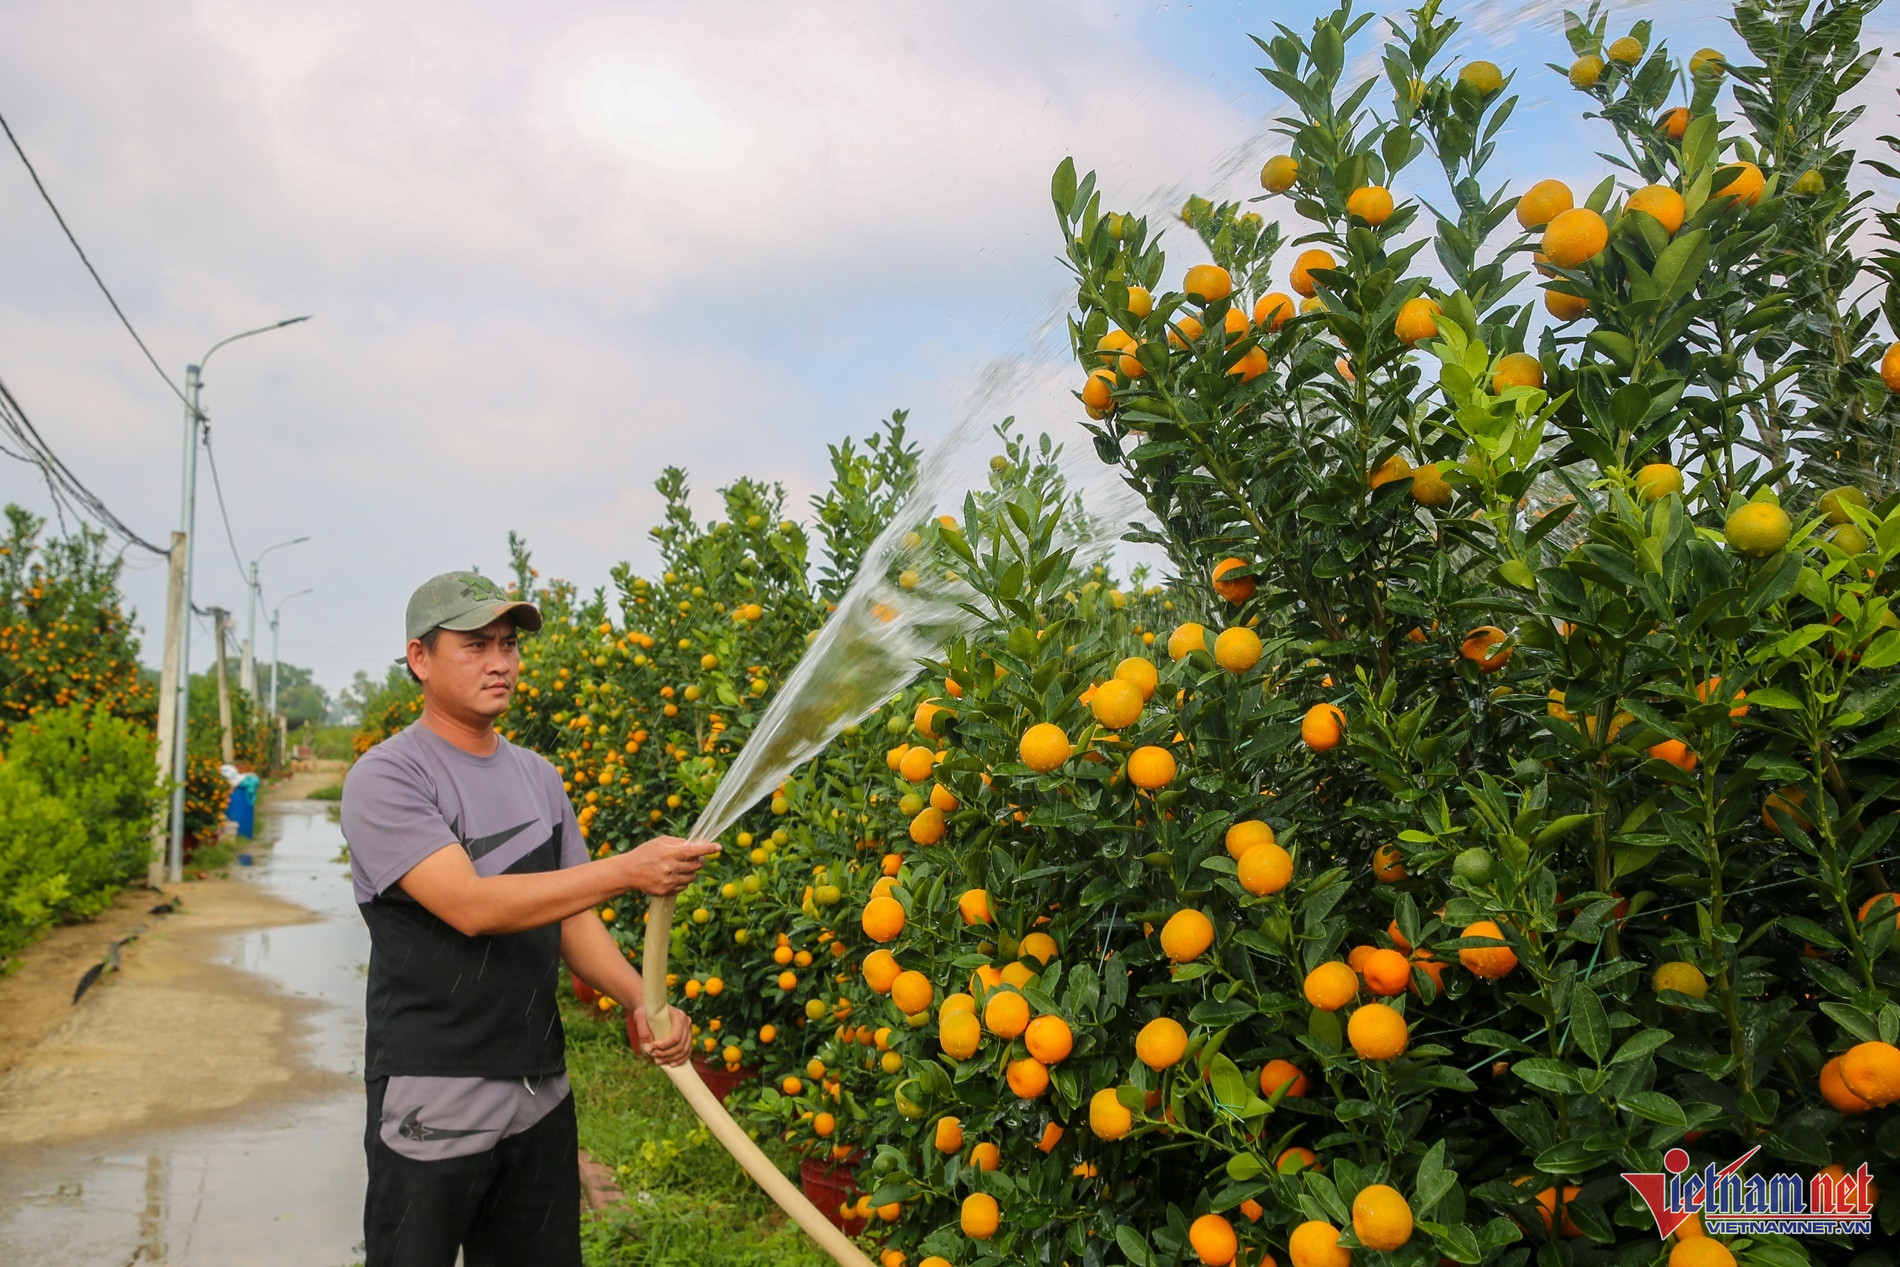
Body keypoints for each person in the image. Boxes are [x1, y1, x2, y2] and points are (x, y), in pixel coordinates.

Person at [340, 570, 718, 1267]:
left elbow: (574, 921)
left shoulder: (539, 776)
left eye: (509, 644)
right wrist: (629, 869)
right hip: (435, 1086)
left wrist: (643, 1000)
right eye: (477, 643)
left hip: (538, 1087)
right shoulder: (390, 777)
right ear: (419, 658)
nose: (501, 662)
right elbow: (471, 906)